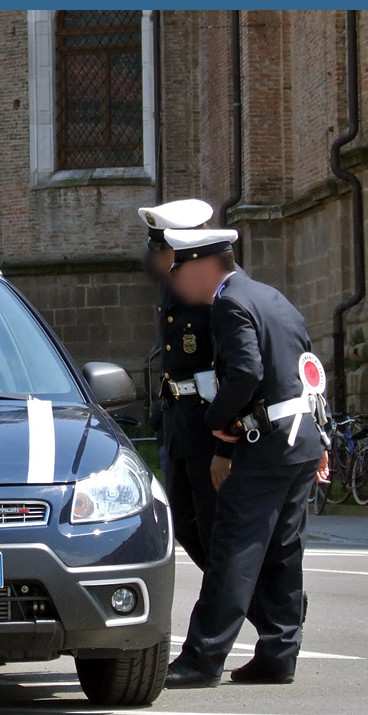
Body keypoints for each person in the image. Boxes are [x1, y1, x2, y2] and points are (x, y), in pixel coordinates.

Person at [163, 228, 329, 688]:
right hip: (300, 438)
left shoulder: (230, 303)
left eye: (181, 267)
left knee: (234, 550)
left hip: (268, 442)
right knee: (283, 550)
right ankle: (279, 652)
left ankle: (203, 657)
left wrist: (216, 420)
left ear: (203, 265)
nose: (177, 278)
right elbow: (307, 366)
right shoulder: (272, 296)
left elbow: (245, 371)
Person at [137, 199, 232, 572]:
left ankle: (258, 604)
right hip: (177, 419)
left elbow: (233, 363)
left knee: (213, 525)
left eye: (166, 251)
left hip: (208, 418)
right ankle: (243, 599)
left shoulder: (215, 289)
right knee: (185, 524)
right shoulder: (171, 287)